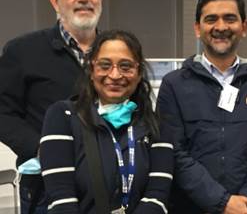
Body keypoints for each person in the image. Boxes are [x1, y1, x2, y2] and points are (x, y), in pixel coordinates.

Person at [157, 0, 247, 214]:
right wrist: (222, 202)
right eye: (211, 19)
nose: (221, 27)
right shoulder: (173, 85)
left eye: (230, 18)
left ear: (244, 27)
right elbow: (174, 152)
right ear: (198, 28)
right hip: (191, 207)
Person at [0, 0, 103, 213]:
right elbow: (2, 112)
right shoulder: (22, 51)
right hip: (46, 186)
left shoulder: (116, 52)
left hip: (107, 181)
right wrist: (44, 148)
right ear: (55, 1)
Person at [39, 29, 174, 213]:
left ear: (139, 72)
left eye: (126, 66)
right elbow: (62, 200)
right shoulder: (63, 116)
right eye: (105, 65)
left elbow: (157, 197)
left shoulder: (156, 124)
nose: (115, 75)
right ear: (91, 70)